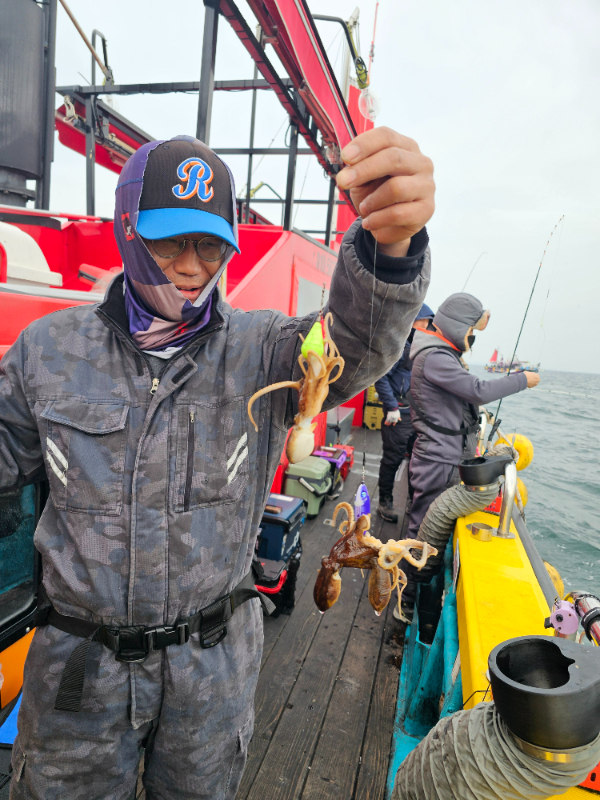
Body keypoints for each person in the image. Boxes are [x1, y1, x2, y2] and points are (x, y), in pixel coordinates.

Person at [2, 127, 435, 800]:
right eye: (169, 240)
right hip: (78, 671)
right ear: (126, 228)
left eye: (210, 245)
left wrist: (392, 251)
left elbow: (354, 342)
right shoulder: (44, 350)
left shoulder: (265, 348)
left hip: (212, 673)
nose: (191, 265)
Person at [399, 292, 540, 623]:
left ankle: (416, 599)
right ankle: (406, 602)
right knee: (423, 530)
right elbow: (479, 391)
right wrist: (522, 379)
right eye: (471, 330)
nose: (472, 337)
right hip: (438, 459)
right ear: (457, 326)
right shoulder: (435, 357)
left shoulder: (438, 354)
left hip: (444, 455)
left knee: (429, 528)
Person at [375, 303, 435, 523]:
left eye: (428, 323)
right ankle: (384, 501)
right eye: (423, 322)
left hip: (418, 415)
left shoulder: (424, 347)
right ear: (411, 322)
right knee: (392, 459)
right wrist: (391, 407)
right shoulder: (398, 347)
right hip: (398, 413)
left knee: (417, 461)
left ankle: (413, 501)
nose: (426, 327)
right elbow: (381, 377)